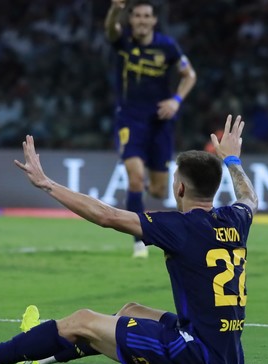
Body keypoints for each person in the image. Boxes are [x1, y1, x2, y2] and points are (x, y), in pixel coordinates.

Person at [0, 114, 258, 364]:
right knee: (130, 311)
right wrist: (232, 159)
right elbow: (249, 198)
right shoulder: (236, 218)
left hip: (194, 353)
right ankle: (40, 353)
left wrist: (47, 184)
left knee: (83, 319)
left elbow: (106, 216)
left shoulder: (179, 227)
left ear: (179, 187)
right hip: (229, 353)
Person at [105, 0, 197, 258]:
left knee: (157, 189)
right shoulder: (123, 43)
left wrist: (176, 101)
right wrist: (115, 9)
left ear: (154, 20)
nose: (142, 20)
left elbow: (190, 75)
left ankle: (142, 202)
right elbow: (110, 29)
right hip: (130, 119)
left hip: (160, 121)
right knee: (135, 177)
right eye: (137, 16)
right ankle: (138, 242)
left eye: (147, 16)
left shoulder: (167, 46)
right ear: (131, 20)